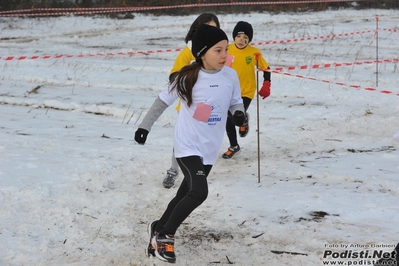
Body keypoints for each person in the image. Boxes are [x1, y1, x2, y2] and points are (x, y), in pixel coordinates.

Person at [134, 24, 246, 263]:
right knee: (199, 191)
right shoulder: (187, 77)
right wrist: (144, 126)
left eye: (226, 49)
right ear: (202, 53)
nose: (225, 55)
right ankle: (165, 236)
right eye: (218, 50)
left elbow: (235, 102)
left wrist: (238, 114)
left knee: (185, 193)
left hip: (209, 148)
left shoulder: (230, 75)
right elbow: (161, 102)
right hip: (186, 146)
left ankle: (158, 226)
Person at [163, 13, 220, 189]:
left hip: (207, 106)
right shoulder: (188, 52)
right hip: (189, 106)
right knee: (183, 141)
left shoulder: (220, 51)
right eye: (207, 28)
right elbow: (174, 75)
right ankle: (173, 171)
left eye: (214, 29)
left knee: (201, 139)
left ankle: (196, 172)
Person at [222, 21, 272, 159]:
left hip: (246, 91)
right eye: (239, 36)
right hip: (229, 91)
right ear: (234, 37)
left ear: (249, 39)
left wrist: (267, 84)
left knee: (235, 117)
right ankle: (234, 146)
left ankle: (243, 119)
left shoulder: (254, 53)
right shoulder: (227, 49)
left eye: (245, 38)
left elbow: (266, 69)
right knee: (228, 120)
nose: (241, 40)